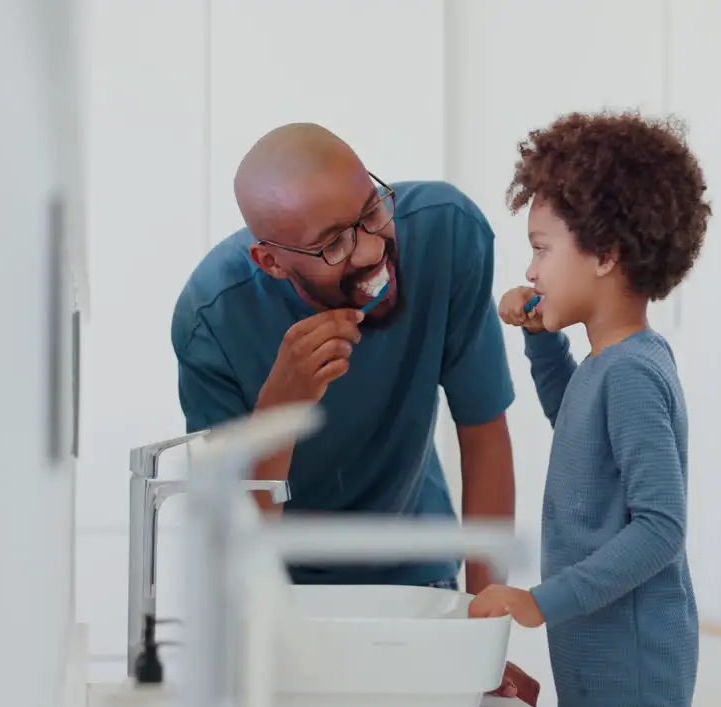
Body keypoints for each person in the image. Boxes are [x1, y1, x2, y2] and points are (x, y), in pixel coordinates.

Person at [170, 122, 518, 597]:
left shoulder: (447, 235)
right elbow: (238, 536)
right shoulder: (211, 319)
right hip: (275, 585)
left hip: (418, 568)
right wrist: (279, 410)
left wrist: (487, 630)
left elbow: (484, 439)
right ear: (270, 262)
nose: (373, 250)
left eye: (372, 211)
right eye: (333, 244)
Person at [468, 110, 711, 707]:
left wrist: (541, 601)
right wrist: (540, 335)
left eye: (541, 249)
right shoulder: (611, 364)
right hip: (599, 648)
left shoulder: (630, 372)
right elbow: (570, 419)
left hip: (633, 664)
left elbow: (660, 527)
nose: (530, 270)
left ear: (604, 254)